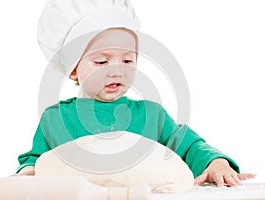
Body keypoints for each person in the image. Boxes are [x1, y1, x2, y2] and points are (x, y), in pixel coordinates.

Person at [16, 0, 255, 187]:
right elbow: (35, 162)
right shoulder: (55, 119)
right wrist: (27, 174)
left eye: (128, 60)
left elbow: (190, 146)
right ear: (74, 69)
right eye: (101, 61)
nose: (116, 70)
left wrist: (216, 163)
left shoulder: (152, 115)